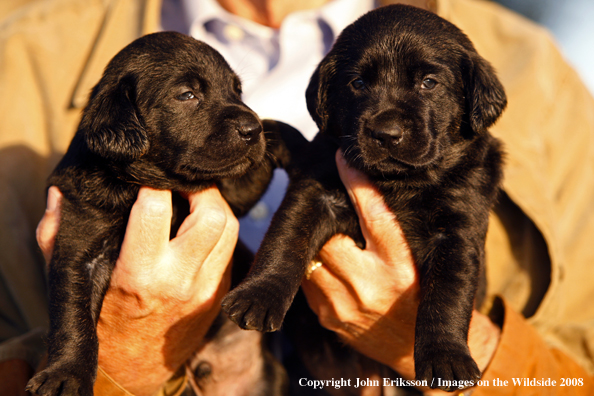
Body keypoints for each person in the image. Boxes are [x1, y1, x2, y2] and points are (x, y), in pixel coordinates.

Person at [1, 0, 594, 395]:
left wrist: (452, 349)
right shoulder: (19, 57)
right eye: (360, 85)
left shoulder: (532, 65)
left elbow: (581, 371)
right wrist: (123, 361)